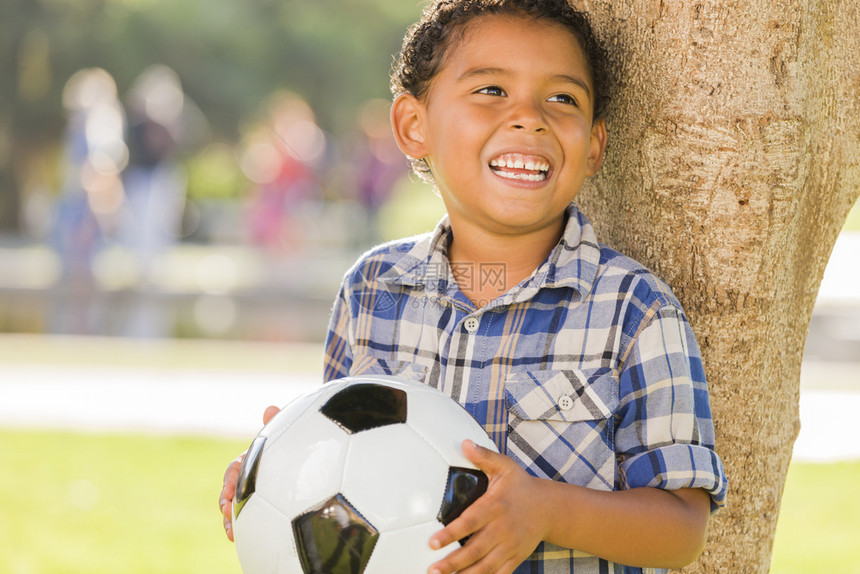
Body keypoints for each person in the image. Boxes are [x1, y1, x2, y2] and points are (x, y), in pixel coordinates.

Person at [220, 1, 728, 573]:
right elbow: (348, 466)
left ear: (593, 146)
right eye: (490, 90)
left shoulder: (633, 311)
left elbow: (682, 528)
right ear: (414, 126)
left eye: (562, 98)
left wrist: (548, 511)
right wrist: (282, 471)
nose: (529, 117)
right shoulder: (372, 292)